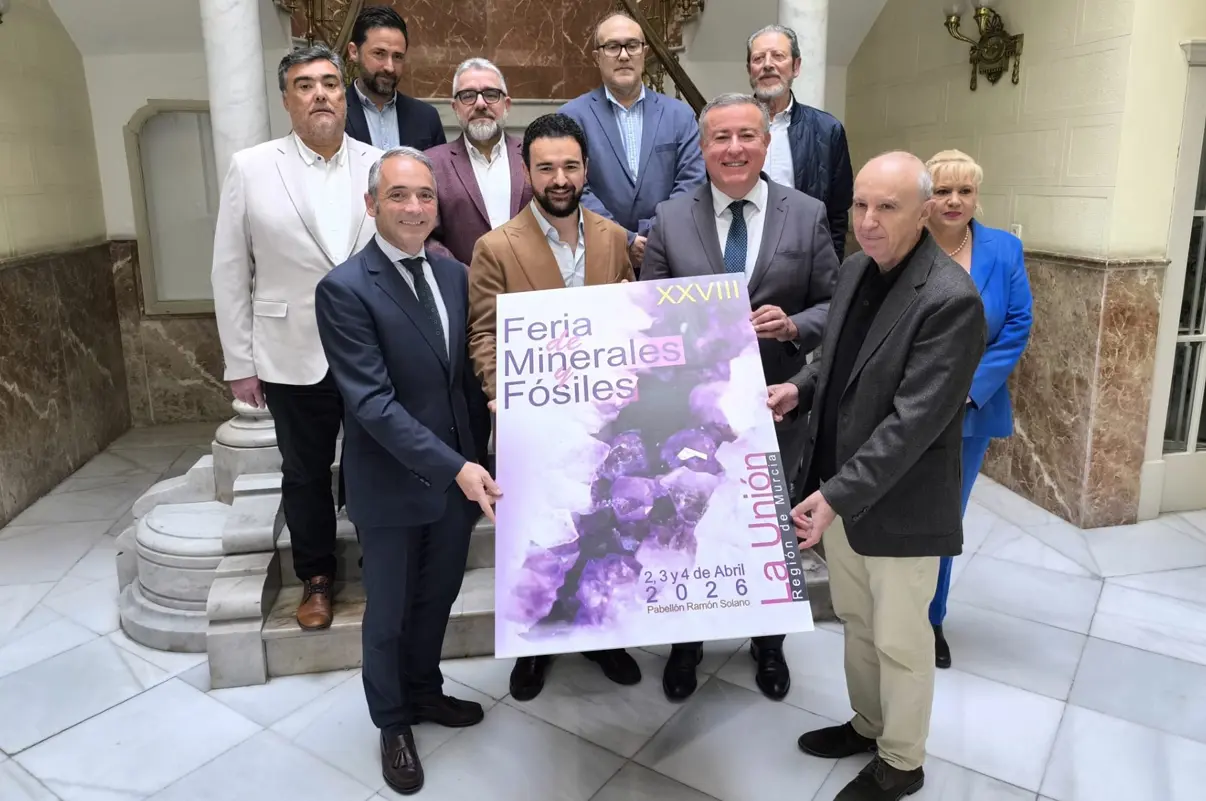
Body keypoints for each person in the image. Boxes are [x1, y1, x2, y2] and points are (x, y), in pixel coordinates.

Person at [769, 151, 985, 801]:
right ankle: (868, 723)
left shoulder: (950, 300)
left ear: (924, 213)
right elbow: (835, 360)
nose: (867, 220)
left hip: (898, 504)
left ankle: (902, 760)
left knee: (900, 639)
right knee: (858, 623)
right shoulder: (858, 268)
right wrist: (799, 389)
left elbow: (911, 424)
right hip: (841, 493)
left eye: (887, 207)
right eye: (860, 204)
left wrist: (834, 496)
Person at [641, 92, 839, 703]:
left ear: (766, 143)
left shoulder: (806, 214)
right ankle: (686, 644)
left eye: (747, 136)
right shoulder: (670, 217)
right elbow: (648, 315)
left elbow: (834, 305)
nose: (734, 148)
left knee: (770, 529)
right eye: (720, 137)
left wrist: (795, 326)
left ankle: (769, 643)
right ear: (703, 148)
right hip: (691, 413)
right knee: (689, 523)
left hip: (776, 407)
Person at [314, 146, 496, 796]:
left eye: (425, 195)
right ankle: (391, 722)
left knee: (437, 598)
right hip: (391, 483)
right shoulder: (344, 288)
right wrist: (457, 467)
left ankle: (425, 690)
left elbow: (464, 382)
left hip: (455, 483)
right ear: (372, 204)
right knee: (387, 614)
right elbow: (372, 404)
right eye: (398, 195)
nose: (415, 207)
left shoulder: (454, 275)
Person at [211, 45, 382, 631]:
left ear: (344, 94)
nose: (320, 95)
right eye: (305, 86)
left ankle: (381, 565)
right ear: (286, 99)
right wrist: (240, 362)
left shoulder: (380, 164)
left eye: (330, 83)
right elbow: (230, 269)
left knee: (374, 463)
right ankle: (316, 578)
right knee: (306, 472)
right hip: (289, 350)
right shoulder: (252, 167)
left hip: (370, 352)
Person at [467, 113, 638, 701]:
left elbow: (629, 321)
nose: (559, 179)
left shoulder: (613, 238)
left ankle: (600, 636)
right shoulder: (495, 246)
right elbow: (484, 333)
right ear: (527, 171)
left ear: (586, 169)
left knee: (600, 529)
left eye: (569, 166)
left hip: (603, 421)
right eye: (546, 168)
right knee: (539, 539)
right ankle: (534, 646)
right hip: (535, 424)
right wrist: (500, 390)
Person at [923, 149, 1033, 669]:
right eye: (942, 190)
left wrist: (968, 390)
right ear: (926, 197)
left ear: (976, 196)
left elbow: (1017, 325)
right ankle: (890, 611)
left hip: (970, 412)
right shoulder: (905, 242)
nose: (954, 201)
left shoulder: (1004, 250)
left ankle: (931, 618)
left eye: (964, 191)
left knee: (946, 517)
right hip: (904, 407)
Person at [559, 11, 706, 270]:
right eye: (612, 46)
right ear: (597, 57)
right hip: (598, 257)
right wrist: (623, 239)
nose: (624, 55)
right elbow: (575, 187)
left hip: (670, 256)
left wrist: (655, 234)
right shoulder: (571, 118)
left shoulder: (680, 115)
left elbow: (692, 181)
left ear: (644, 52)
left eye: (632, 45)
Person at [746, 24, 853, 260]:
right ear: (749, 70)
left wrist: (831, 268)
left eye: (778, 56)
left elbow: (837, 215)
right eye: (758, 58)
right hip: (740, 253)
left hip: (803, 256)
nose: (767, 65)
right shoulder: (729, 128)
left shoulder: (827, 130)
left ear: (796, 66)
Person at [426, 58, 533, 265]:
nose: (481, 104)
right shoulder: (432, 164)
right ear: (455, 107)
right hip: (464, 282)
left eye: (491, 94)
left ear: (506, 104)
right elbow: (425, 234)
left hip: (530, 281)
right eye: (468, 96)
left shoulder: (532, 155)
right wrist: (462, 275)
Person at [345, 5, 446, 151]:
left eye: (397, 57)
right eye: (379, 54)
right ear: (354, 52)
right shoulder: (333, 113)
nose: (390, 67)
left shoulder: (426, 117)